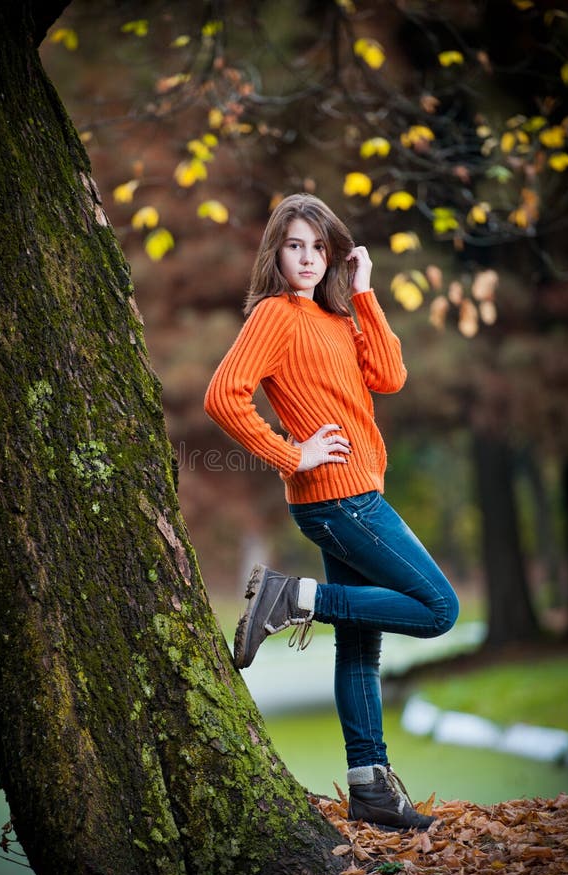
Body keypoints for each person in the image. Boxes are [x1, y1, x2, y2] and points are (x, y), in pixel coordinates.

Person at [204, 193, 459, 831]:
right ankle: (297, 599)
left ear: (334, 253)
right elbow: (222, 397)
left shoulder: (337, 317)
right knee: (438, 609)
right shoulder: (275, 315)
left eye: (319, 247)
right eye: (295, 245)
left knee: (360, 644)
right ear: (276, 252)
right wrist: (292, 454)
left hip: (351, 495)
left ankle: (370, 787)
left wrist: (364, 293)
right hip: (339, 499)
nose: (308, 258)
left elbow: (391, 374)